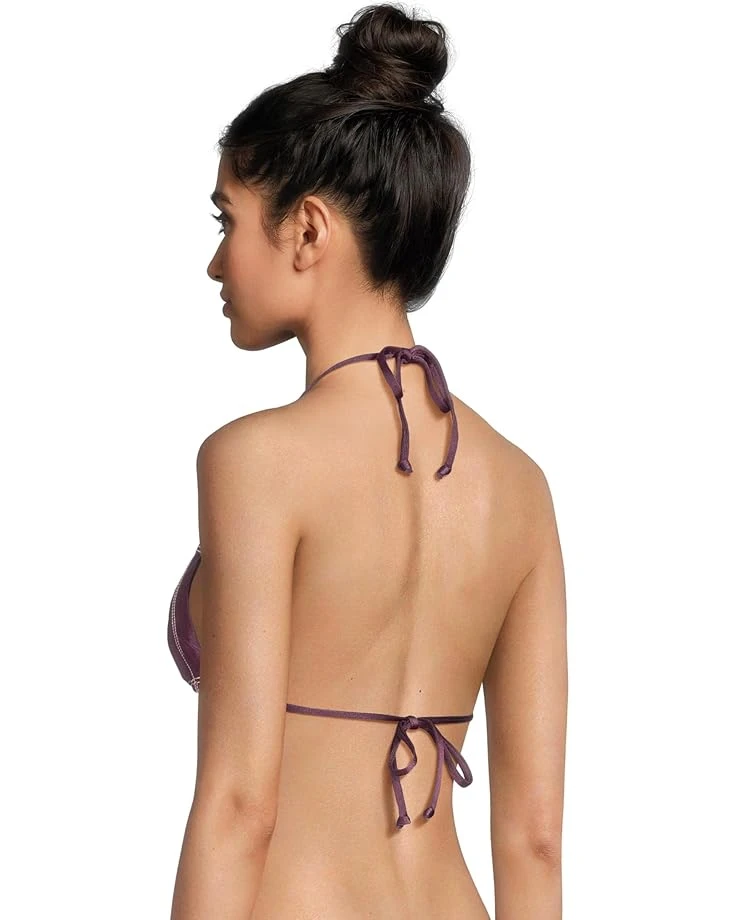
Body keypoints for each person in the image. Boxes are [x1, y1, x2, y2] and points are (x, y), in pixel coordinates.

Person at [168, 4, 567, 918]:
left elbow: (239, 807)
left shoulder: (255, 461)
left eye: (228, 220)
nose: (217, 264)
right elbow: (535, 836)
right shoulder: (521, 486)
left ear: (308, 230)